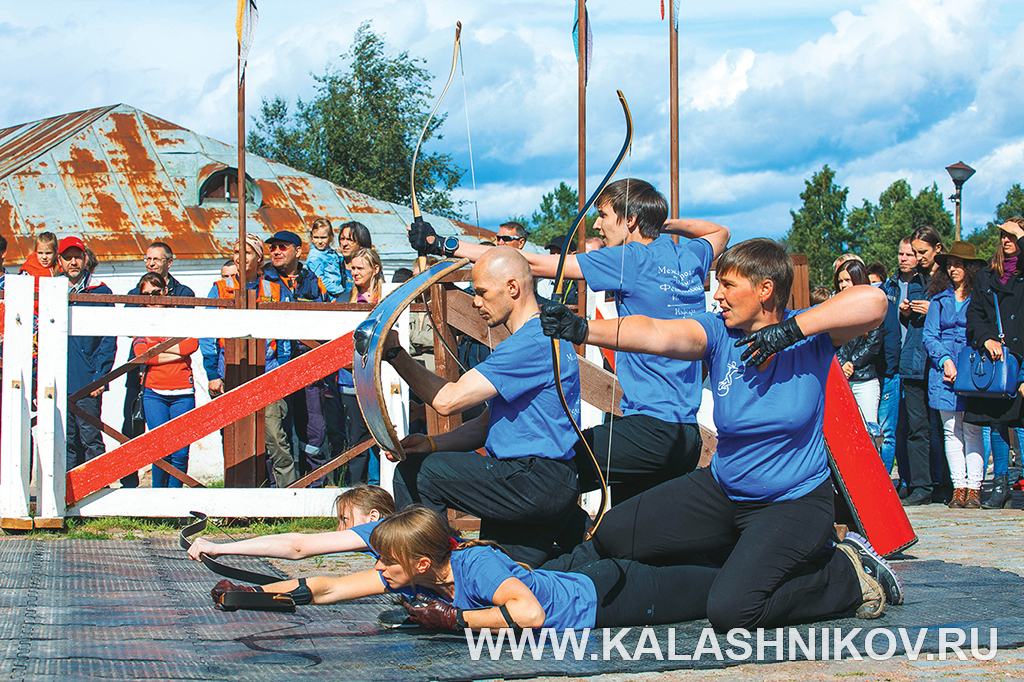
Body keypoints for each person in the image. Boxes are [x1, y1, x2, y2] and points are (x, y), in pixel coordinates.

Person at [541, 238, 901, 631]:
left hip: (792, 503)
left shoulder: (813, 336)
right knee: (615, 531)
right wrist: (583, 329)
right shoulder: (718, 332)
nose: (718, 294)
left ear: (765, 289)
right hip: (724, 491)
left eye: (729, 285)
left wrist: (789, 332)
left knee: (733, 610)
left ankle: (847, 574)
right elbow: (658, 333)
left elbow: (875, 303)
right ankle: (540, 580)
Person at [409, 179, 730, 519]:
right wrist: (659, 222)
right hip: (686, 437)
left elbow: (531, 264)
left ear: (629, 219)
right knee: (631, 536)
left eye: (604, 215)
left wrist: (442, 244)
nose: (597, 224)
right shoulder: (687, 254)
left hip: (648, 431)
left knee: (546, 473)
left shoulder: (629, 259)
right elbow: (720, 232)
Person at [381, 248, 582, 568]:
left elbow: (448, 400)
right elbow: (485, 425)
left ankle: (429, 578)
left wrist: (395, 354)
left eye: (481, 292)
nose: (475, 301)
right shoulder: (546, 336)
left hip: (531, 481)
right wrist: (432, 443)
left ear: (512, 288)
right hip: (549, 483)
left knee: (417, 474)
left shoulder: (530, 343)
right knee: (506, 573)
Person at [211, 506, 719, 630]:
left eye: (388, 562)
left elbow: (531, 615)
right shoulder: (412, 573)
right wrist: (261, 596)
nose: (380, 569)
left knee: (723, 592)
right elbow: (326, 588)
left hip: (608, 598)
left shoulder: (475, 567)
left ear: (422, 562)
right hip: (592, 591)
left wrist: (458, 621)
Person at [199, 234, 295, 487]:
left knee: (275, 437)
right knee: (232, 438)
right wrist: (212, 374)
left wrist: (282, 371)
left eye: (247, 253)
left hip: (268, 372)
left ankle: (287, 498)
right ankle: (235, 493)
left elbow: (285, 334)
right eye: (236, 252)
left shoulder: (274, 290)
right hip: (230, 372)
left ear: (259, 259)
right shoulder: (220, 289)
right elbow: (207, 333)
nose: (240, 258)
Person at [121, 241, 197, 486]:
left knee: (178, 448)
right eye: (147, 259)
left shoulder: (183, 294)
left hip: (179, 385)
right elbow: (140, 347)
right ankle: (131, 483)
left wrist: (158, 353)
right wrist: (172, 353)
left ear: (168, 263)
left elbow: (190, 343)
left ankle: (172, 496)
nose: (151, 263)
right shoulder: (136, 293)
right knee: (135, 430)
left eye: (156, 259)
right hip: (143, 378)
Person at [262, 230, 332, 486]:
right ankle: (278, 490)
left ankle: (314, 486)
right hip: (275, 367)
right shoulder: (263, 281)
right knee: (276, 430)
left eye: (283, 247)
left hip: (309, 366)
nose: (276, 252)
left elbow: (327, 321)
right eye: (273, 248)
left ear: (298, 251)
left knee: (314, 430)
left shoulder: (314, 281)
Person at [965, 217, 1024, 509]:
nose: (1006, 240)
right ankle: (1001, 484)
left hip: (1022, 354)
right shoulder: (988, 276)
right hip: (998, 360)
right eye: (1002, 235)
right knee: (999, 420)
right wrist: (986, 338)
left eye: (1013, 236)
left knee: (1022, 420)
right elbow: (974, 314)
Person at [923, 242, 987, 509]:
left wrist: (964, 364)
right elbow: (930, 335)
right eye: (949, 264)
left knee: (973, 430)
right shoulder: (938, 300)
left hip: (973, 371)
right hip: (943, 373)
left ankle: (974, 489)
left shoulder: (981, 298)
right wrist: (946, 361)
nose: (952, 268)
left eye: (958, 264)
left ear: (970, 268)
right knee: (951, 431)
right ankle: (958, 487)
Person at [188, 485, 395, 562]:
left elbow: (296, 546)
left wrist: (219, 548)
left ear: (373, 516)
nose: (339, 530)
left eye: (345, 520)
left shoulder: (374, 530)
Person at [59, 236, 117, 472]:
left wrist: (100, 376)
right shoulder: (52, 289)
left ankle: (97, 492)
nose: (73, 262)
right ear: (60, 261)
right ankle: (68, 497)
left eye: (77, 257)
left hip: (87, 380)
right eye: (67, 257)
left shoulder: (100, 291)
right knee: (65, 440)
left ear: (85, 259)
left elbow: (108, 338)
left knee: (91, 438)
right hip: (59, 380)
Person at [834, 260, 883, 442]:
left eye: (848, 280)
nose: (843, 285)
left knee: (869, 431)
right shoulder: (833, 308)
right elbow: (829, 341)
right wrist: (840, 364)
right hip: (841, 380)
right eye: (840, 281)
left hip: (864, 380)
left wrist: (852, 363)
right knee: (845, 434)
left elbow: (873, 343)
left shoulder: (874, 305)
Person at [306, 217, 346, 301]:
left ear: (331, 237)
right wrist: (339, 291)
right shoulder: (315, 257)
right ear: (311, 238)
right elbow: (320, 279)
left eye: (323, 237)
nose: (319, 241)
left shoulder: (331, 253)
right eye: (316, 237)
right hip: (328, 295)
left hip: (336, 291)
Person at [338, 221, 373, 299]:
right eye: (342, 239)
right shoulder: (332, 266)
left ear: (361, 244)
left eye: (350, 240)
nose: (344, 244)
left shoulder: (371, 269)